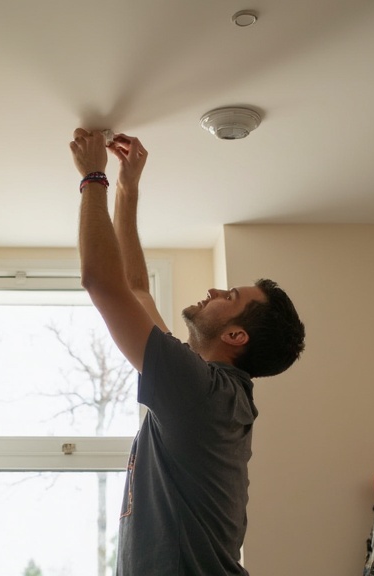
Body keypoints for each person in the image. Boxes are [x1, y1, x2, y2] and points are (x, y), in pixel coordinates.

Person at [69, 128, 306, 575]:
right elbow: (136, 290)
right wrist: (126, 189)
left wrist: (93, 176)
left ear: (236, 336)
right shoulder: (211, 391)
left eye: (229, 297)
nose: (215, 290)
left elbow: (102, 282)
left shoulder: (204, 392)